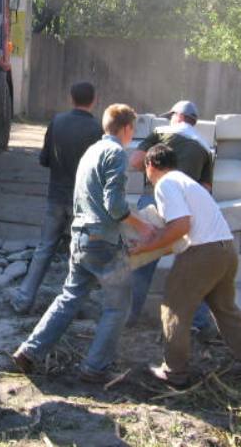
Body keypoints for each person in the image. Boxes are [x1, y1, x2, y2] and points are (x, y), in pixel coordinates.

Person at [12, 104, 156, 383]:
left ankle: (29, 351)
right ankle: (95, 367)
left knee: (70, 297)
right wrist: (143, 226)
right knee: (118, 306)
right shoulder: (116, 153)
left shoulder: (91, 151)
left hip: (81, 237)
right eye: (133, 130)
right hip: (102, 241)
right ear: (127, 128)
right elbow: (115, 206)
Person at [131, 144, 241, 388]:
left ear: (150, 165)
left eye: (146, 169)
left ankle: (174, 372)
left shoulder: (165, 184)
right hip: (225, 250)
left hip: (202, 253)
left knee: (174, 309)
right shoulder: (187, 182)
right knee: (226, 310)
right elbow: (183, 229)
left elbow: (181, 226)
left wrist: (145, 247)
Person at [8, 81, 102, 314]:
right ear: (94, 100)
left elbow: (44, 159)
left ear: (71, 98)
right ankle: (73, 305)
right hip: (82, 202)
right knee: (78, 253)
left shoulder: (57, 122)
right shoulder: (97, 129)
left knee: (45, 248)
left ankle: (23, 299)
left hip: (56, 196)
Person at [126, 100, 215, 333]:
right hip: (186, 210)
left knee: (142, 260)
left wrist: (151, 169)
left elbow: (135, 161)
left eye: (171, 116)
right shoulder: (205, 148)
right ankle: (198, 323)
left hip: (155, 200)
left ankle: (128, 316)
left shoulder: (160, 133)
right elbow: (205, 189)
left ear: (178, 116)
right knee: (190, 265)